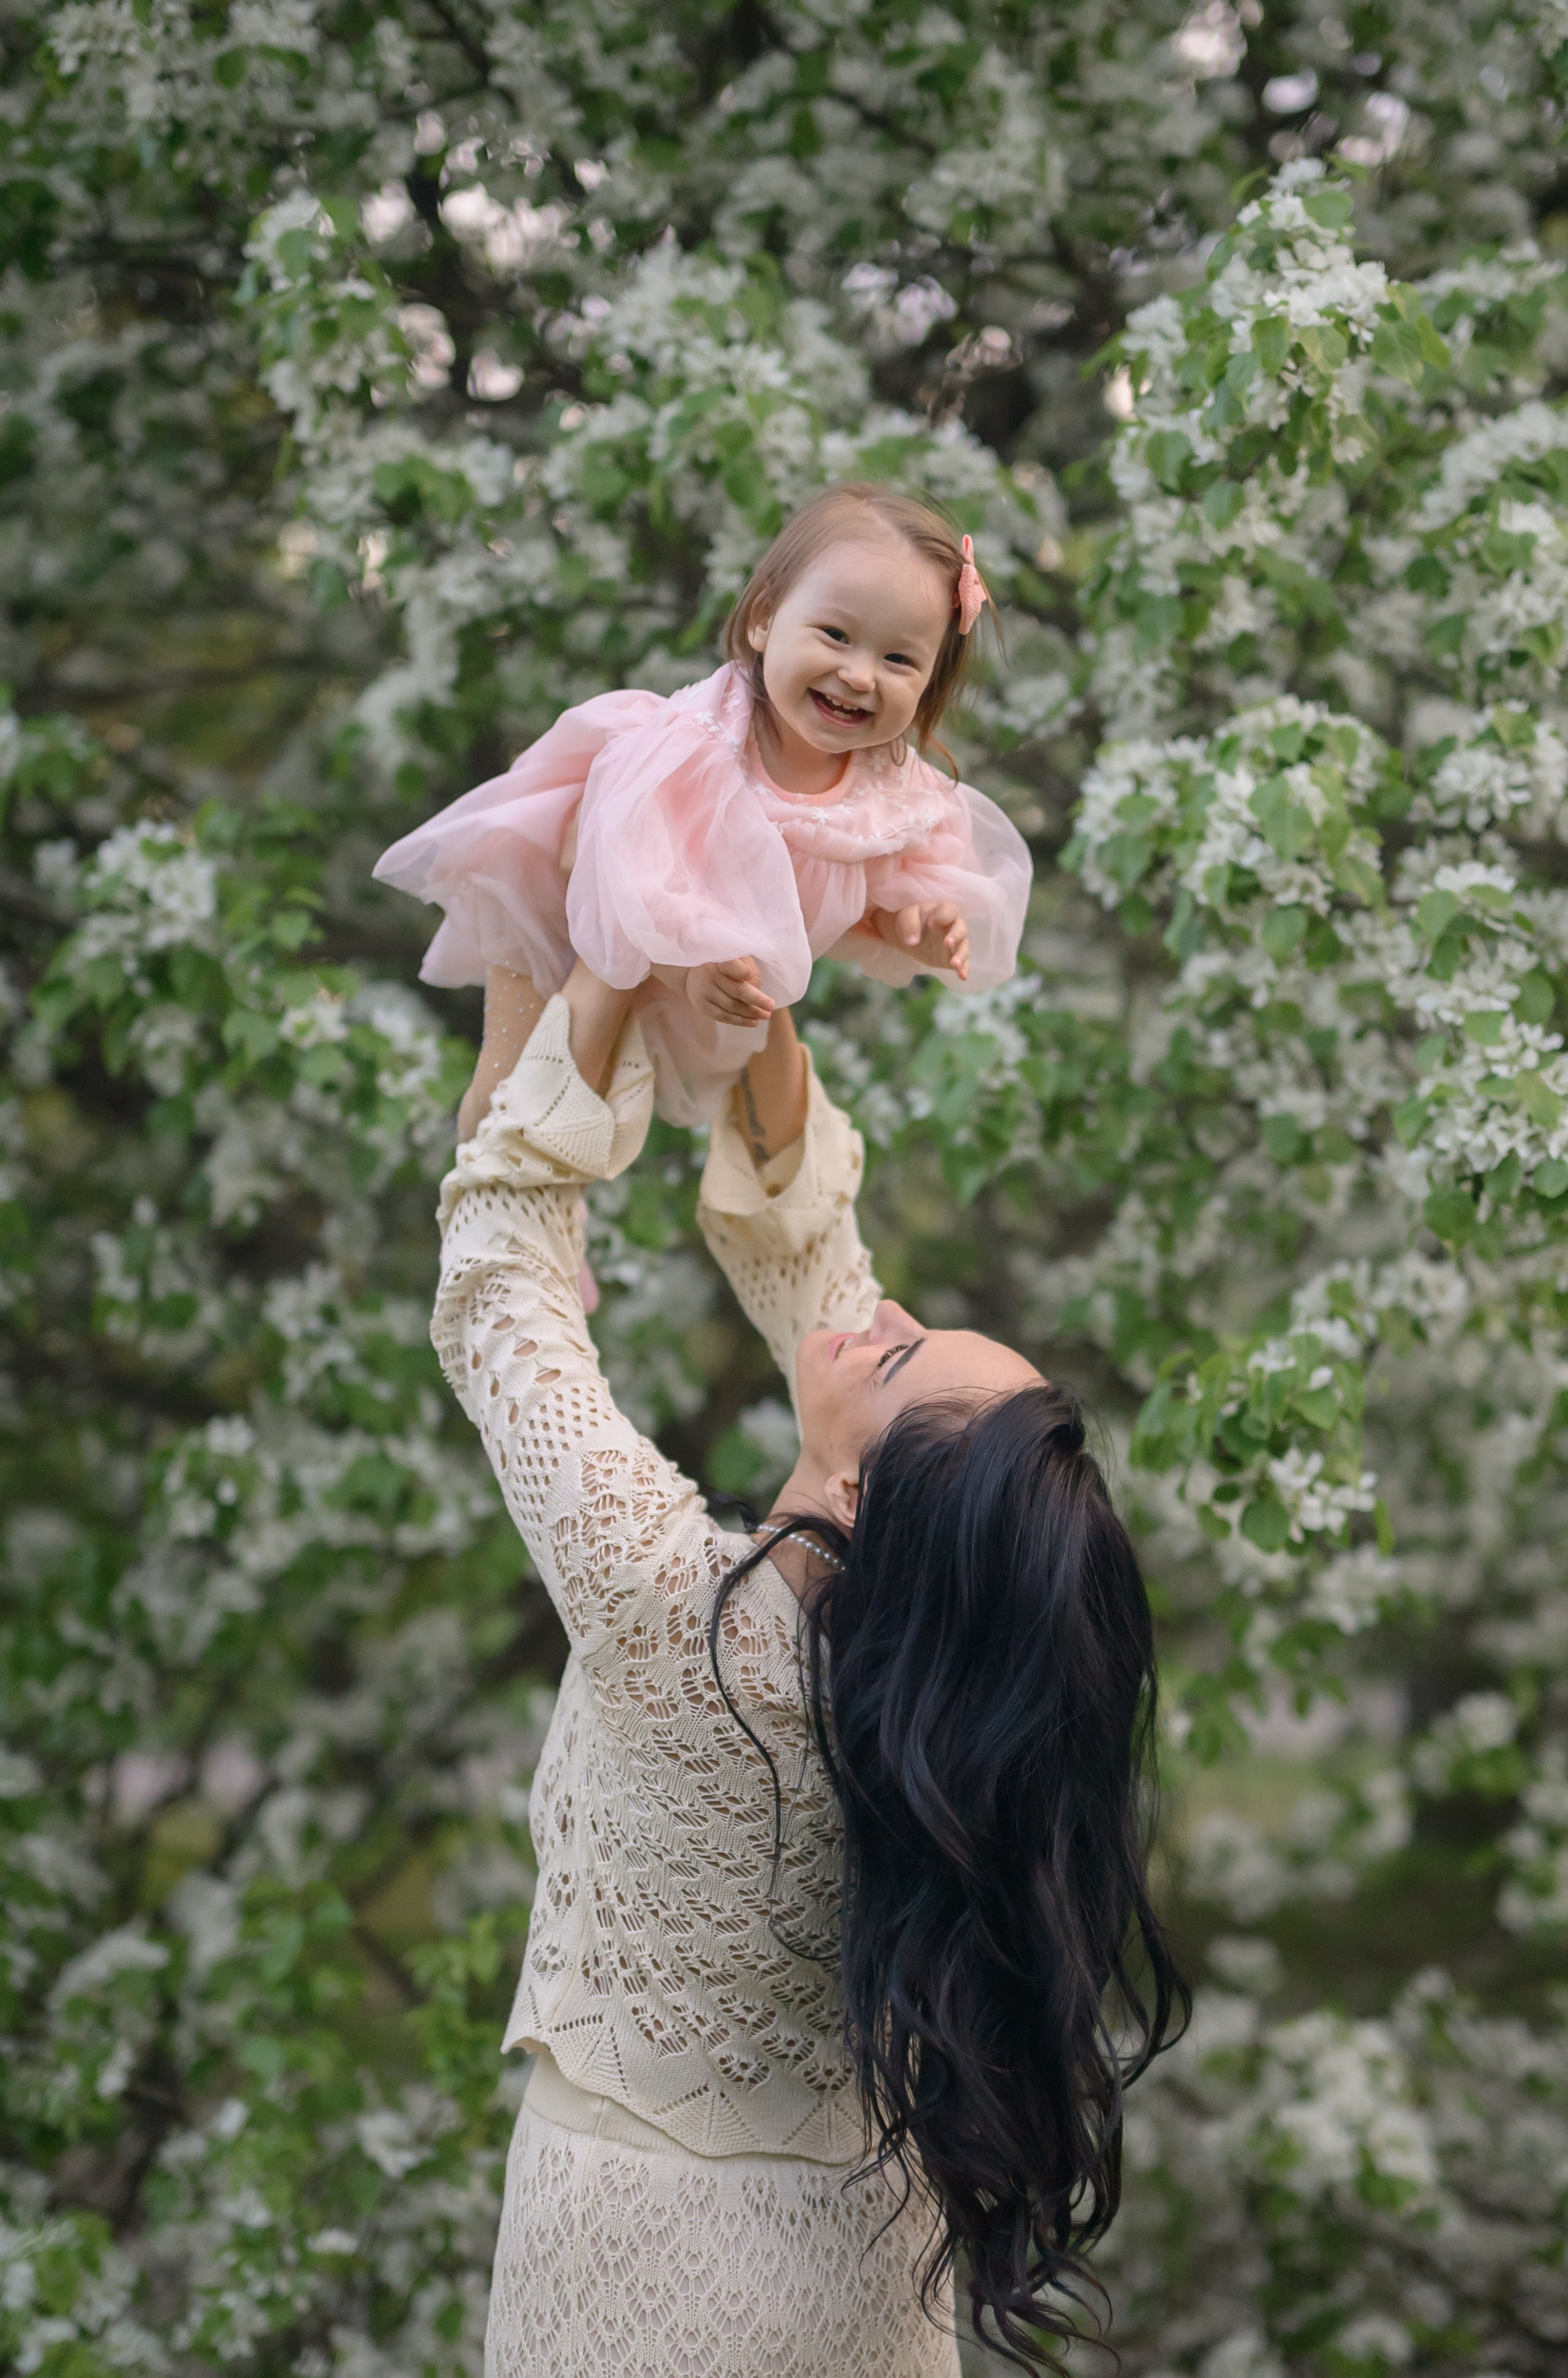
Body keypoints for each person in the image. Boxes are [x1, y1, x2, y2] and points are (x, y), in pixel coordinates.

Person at [432, 959, 1188, 2378]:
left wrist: (607, 960)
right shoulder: (952, 1697)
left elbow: (498, 1291)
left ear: (857, 1492)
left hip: (632, 2258)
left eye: (894, 1348)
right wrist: (754, 994)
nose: (869, 1314)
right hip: (860, 2256)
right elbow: (820, 1282)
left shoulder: (677, 1616)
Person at [376, 482, 1032, 1130]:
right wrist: (685, 970)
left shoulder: (890, 794)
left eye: (897, 659)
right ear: (764, 619)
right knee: (521, 1087)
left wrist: (909, 923)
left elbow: (862, 899)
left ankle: (776, 1220)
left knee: (767, 1117)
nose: (860, 675)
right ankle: (489, 1184)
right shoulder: (694, 749)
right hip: (572, 899)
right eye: (835, 634)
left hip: (727, 968)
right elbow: (620, 878)